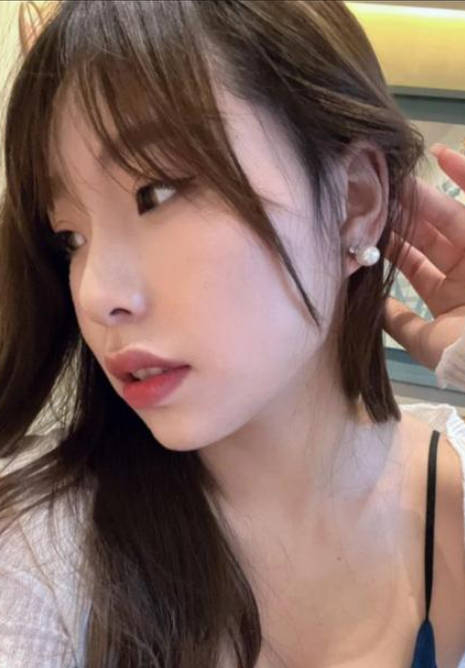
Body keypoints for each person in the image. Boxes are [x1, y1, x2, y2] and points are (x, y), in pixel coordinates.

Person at [0, 1, 465, 666]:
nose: (97, 295)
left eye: (156, 193)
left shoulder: (455, 482)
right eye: (69, 237)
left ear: (354, 203)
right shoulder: (40, 555)